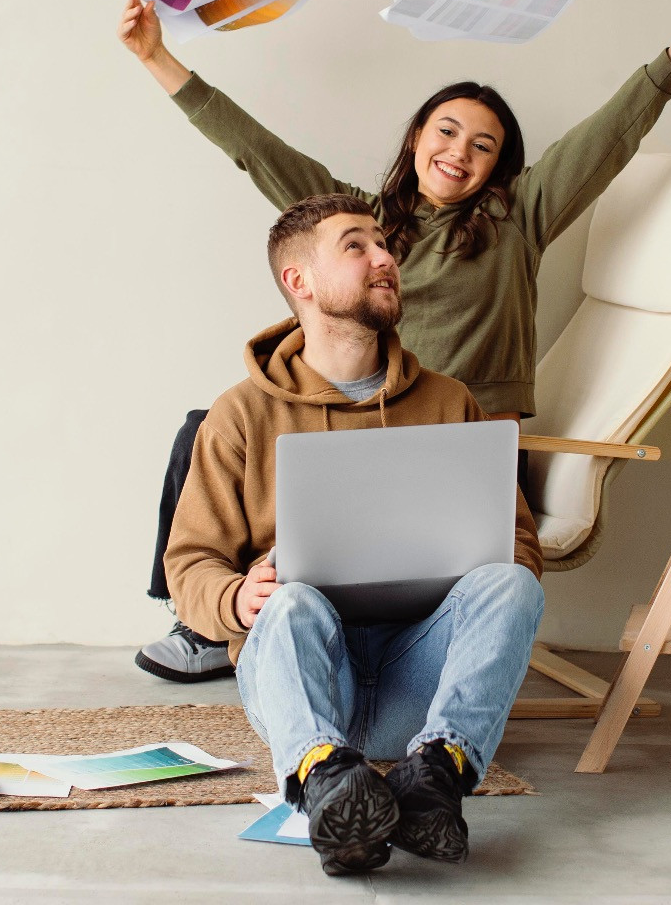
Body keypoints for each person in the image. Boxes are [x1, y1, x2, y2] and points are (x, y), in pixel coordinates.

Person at [124, 0, 671, 681]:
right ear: (418, 138)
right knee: (208, 425)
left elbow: (611, 135)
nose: (460, 151)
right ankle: (205, 619)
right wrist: (157, 58)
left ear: (499, 166)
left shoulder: (515, 221)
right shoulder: (362, 225)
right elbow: (256, 150)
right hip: (360, 437)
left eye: (484, 145)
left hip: (455, 451)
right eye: (448, 131)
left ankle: (284, 638)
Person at [164, 193, 546, 874]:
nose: (385, 257)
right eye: (357, 245)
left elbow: (518, 545)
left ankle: (437, 775)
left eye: (384, 244)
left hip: (417, 680)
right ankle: (327, 778)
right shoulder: (239, 414)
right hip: (313, 683)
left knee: (511, 583)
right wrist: (236, 598)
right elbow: (190, 562)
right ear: (299, 282)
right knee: (290, 596)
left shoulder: (448, 401)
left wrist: (470, 556)